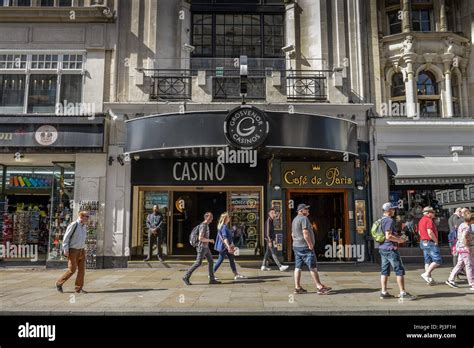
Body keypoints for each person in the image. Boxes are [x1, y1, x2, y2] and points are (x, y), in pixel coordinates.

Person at [291, 204, 331, 295]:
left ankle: (297, 287)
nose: (308, 210)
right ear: (301, 211)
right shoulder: (304, 219)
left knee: (298, 267)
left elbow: (292, 234)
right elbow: (305, 233)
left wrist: (296, 242)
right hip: (305, 247)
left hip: (296, 247)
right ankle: (319, 287)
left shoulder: (294, 220)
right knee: (313, 267)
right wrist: (310, 245)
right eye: (306, 209)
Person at [378, 203, 415, 300]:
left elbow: (387, 235)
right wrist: (400, 240)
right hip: (391, 249)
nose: (394, 211)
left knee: (384, 270)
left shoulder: (381, 220)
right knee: (399, 270)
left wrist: (399, 237)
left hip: (383, 247)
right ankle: (403, 292)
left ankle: (384, 292)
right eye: (393, 209)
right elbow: (388, 236)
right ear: (388, 210)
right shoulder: (389, 220)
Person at [182, 212, 221, 286]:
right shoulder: (203, 226)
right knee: (198, 263)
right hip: (202, 247)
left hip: (206, 247)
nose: (212, 219)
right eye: (210, 217)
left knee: (211, 261)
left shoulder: (206, 225)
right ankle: (186, 277)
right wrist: (210, 240)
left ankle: (212, 279)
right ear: (206, 218)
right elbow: (200, 238)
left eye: (212, 217)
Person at [56, 211, 89, 294]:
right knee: (72, 270)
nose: (88, 218)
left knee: (82, 270)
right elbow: (66, 238)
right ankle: (59, 283)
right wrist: (65, 249)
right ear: (81, 216)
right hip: (73, 251)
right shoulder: (74, 225)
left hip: (81, 250)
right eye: (87, 216)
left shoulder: (84, 226)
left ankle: (78, 288)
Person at [213, 212, 247, 280]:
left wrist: (231, 245)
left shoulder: (222, 226)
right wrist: (229, 247)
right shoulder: (224, 227)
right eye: (228, 217)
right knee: (220, 260)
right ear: (225, 218)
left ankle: (236, 274)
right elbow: (225, 238)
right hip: (225, 247)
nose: (230, 218)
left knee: (231, 260)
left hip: (226, 247)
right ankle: (211, 274)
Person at [446, 211, 473, 290]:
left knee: (460, 264)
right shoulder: (467, 227)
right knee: (469, 265)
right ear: (471, 220)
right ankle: (472, 283)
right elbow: (464, 238)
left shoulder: (462, 224)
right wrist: (468, 247)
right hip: (465, 249)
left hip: (461, 248)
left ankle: (450, 279)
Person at [419, 206, 442, 285]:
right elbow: (430, 232)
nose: (434, 214)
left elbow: (419, 232)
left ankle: (429, 279)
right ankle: (426, 274)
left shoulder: (421, 220)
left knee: (427, 261)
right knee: (437, 260)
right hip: (430, 242)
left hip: (423, 241)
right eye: (433, 212)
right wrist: (436, 241)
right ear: (429, 213)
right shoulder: (429, 220)